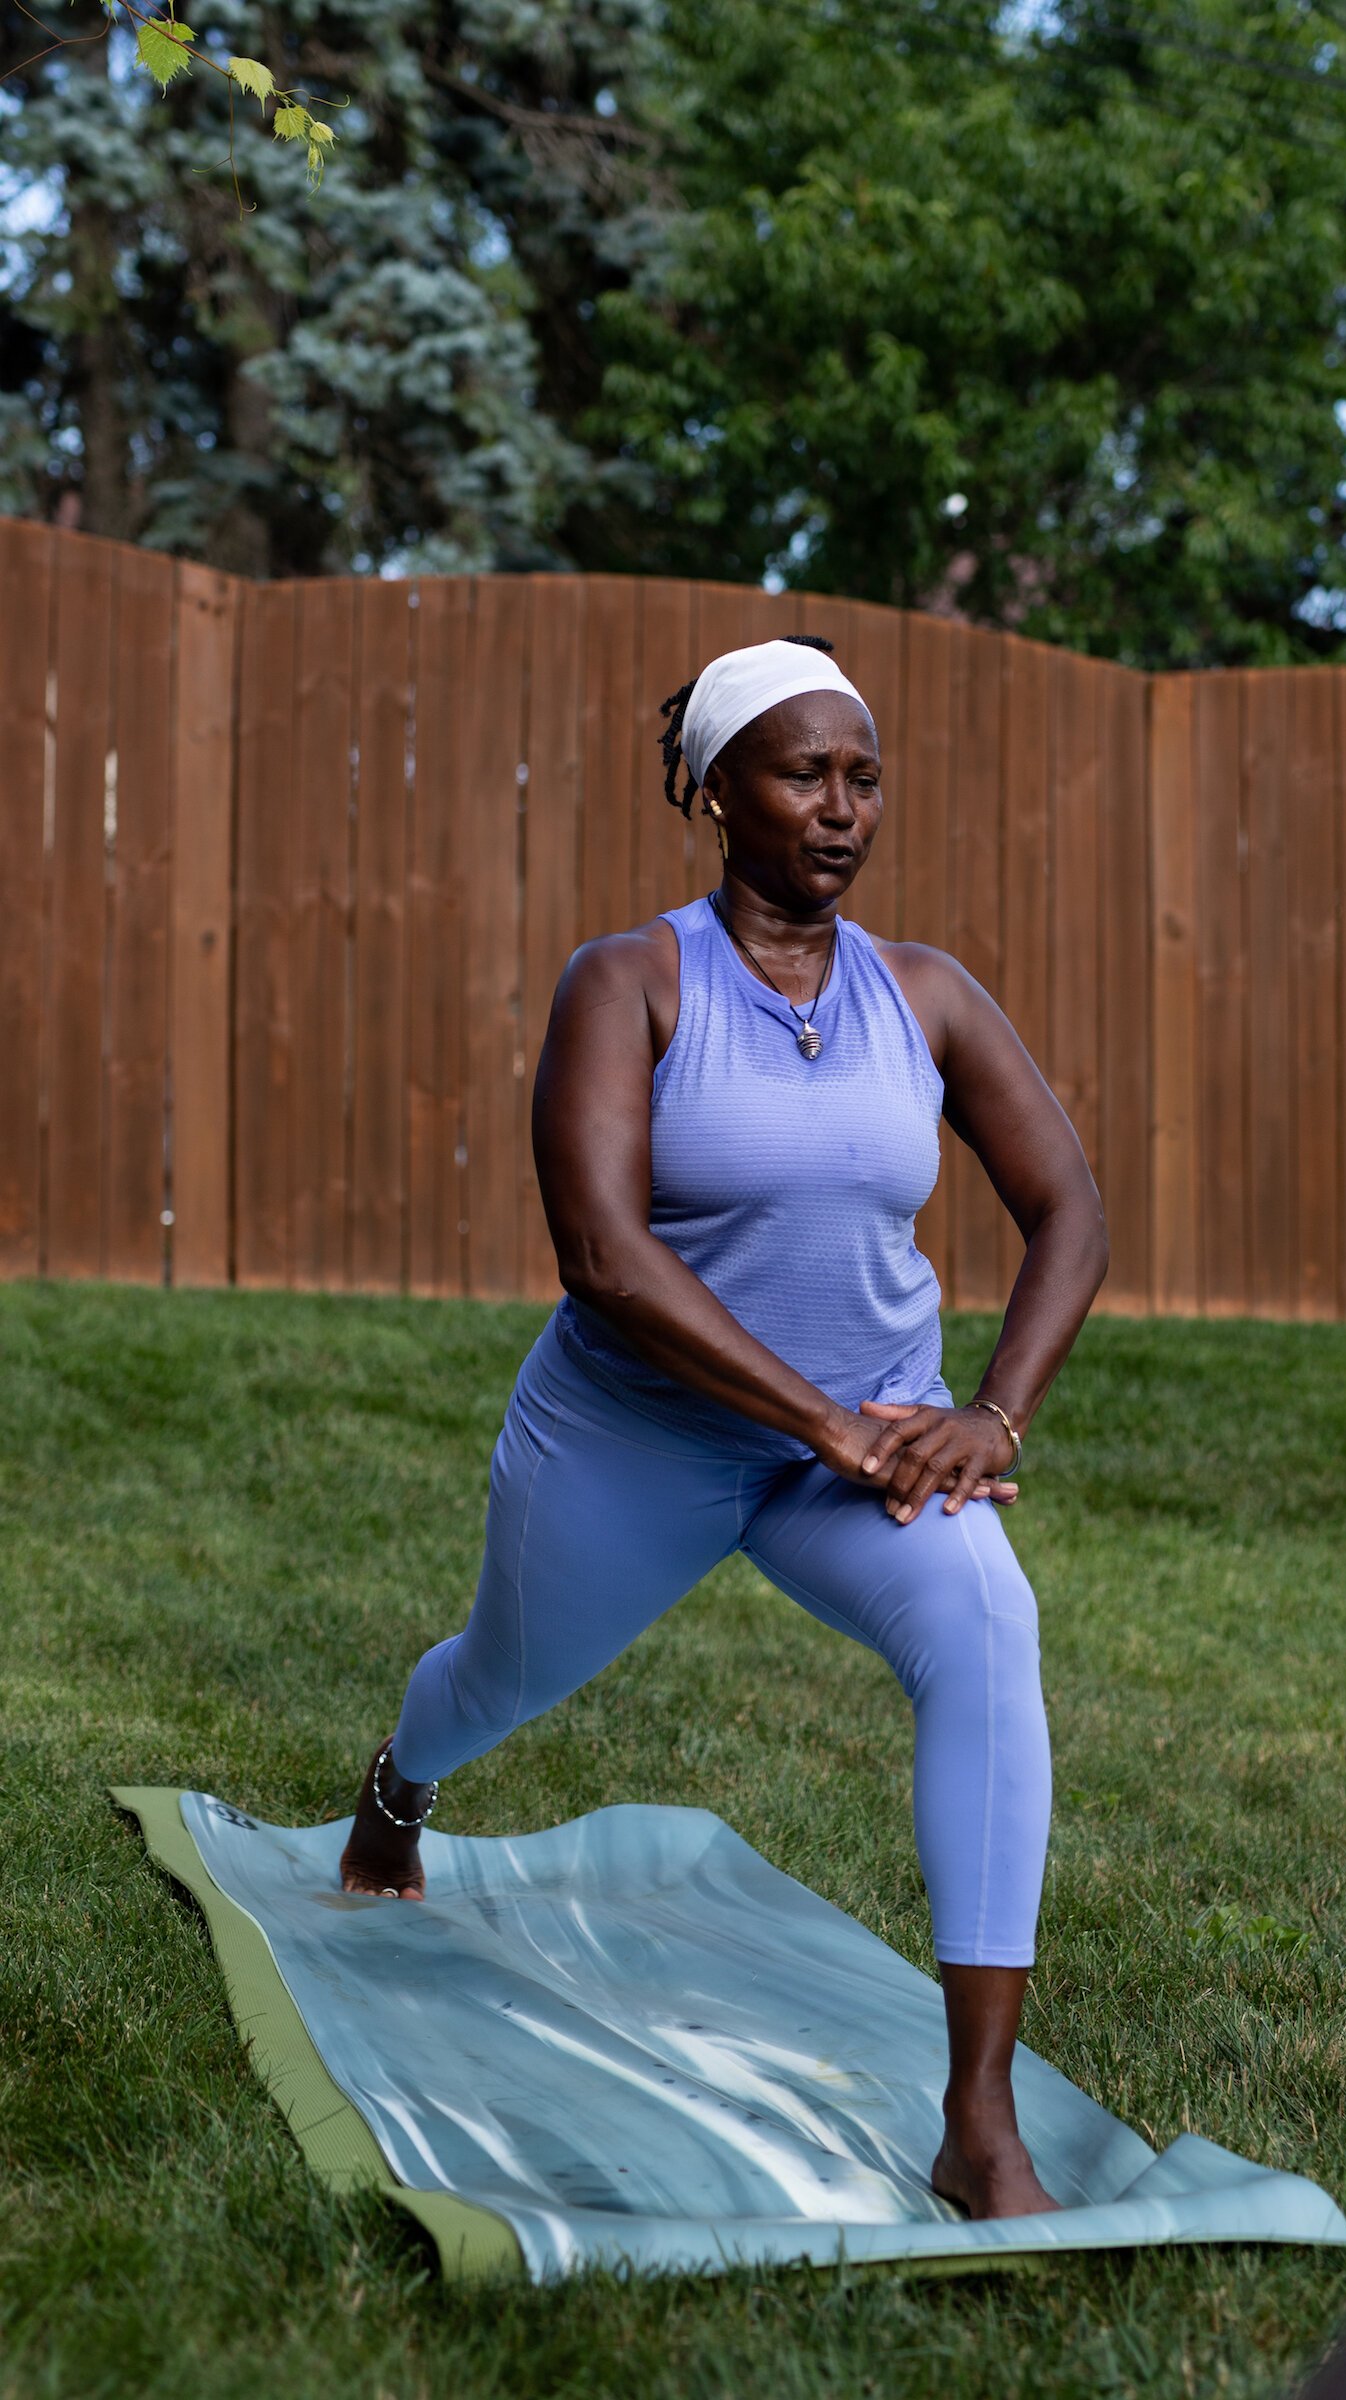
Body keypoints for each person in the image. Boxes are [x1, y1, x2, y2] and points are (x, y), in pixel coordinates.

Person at [338, 635, 1109, 2219]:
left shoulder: (931, 997)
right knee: (502, 1675)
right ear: (711, 789)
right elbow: (605, 1256)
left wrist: (995, 1415)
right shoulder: (627, 982)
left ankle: (978, 2121)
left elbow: (1070, 1206)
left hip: (867, 1460)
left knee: (988, 1629)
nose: (841, 808)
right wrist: (818, 1417)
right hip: (635, 1445)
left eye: (863, 776)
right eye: (802, 771)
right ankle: (401, 1785)